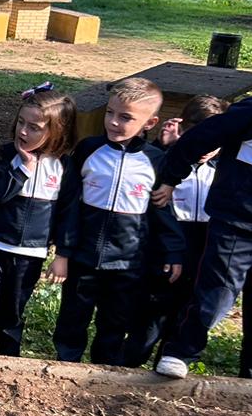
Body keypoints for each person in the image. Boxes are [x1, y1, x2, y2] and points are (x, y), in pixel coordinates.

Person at [51, 78, 184, 366]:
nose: (113, 122)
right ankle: (65, 364)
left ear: (150, 123)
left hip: (128, 263)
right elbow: (70, 205)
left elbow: (163, 212)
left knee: (114, 322)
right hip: (83, 257)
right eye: (110, 113)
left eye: (125, 117)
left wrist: (173, 251)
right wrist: (63, 252)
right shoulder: (88, 150)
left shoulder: (156, 161)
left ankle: (105, 370)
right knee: (72, 318)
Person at [0, 87, 75, 356]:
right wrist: (23, 169)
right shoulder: (3, 155)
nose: (23, 131)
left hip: (30, 255)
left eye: (34, 128)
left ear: (57, 131)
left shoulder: (64, 166)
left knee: (12, 314)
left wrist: (62, 254)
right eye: (21, 122)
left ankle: (8, 361)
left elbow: (68, 213)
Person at [153, 92, 252, 379]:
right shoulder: (248, 114)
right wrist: (171, 178)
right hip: (236, 221)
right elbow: (199, 138)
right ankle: (181, 352)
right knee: (217, 292)